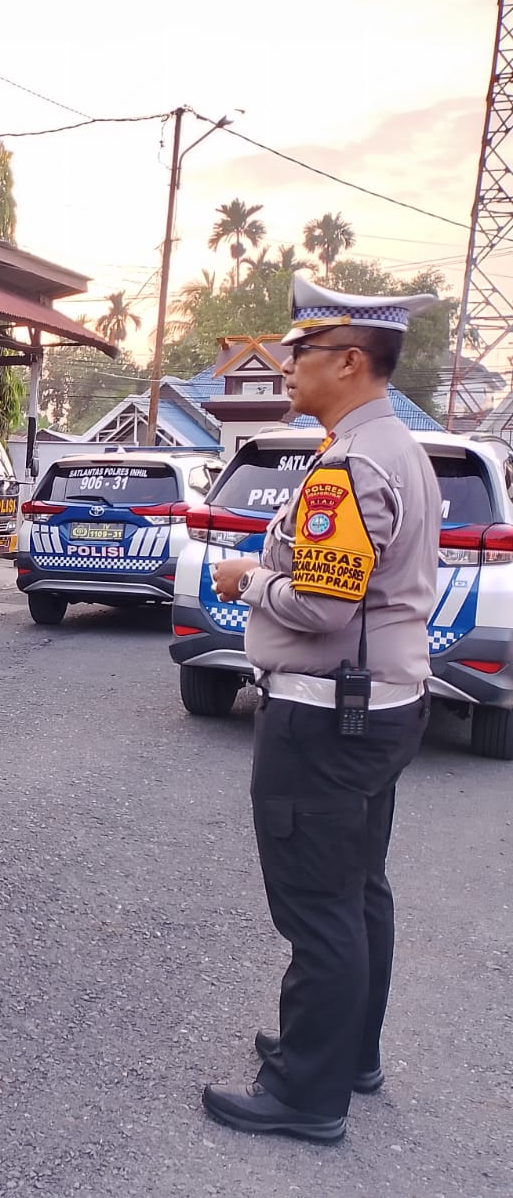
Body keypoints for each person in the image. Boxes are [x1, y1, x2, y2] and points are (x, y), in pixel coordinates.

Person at [203, 275, 443, 1143]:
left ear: (349, 362)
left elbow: (320, 605)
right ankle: (345, 1053)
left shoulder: (351, 465)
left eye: (301, 351)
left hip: (328, 714)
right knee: (358, 889)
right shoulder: (396, 447)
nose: (288, 366)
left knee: (319, 906)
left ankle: (308, 1094)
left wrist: (246, 578)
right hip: (378, 704)